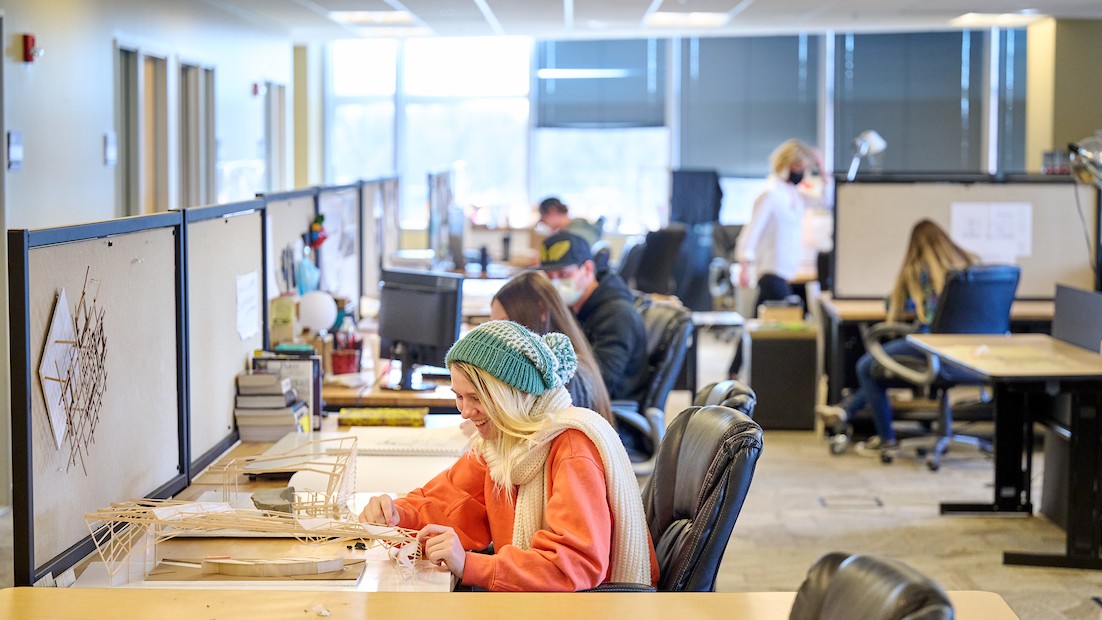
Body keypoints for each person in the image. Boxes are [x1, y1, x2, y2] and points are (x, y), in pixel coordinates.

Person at [358, 320, 659, 591]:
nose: (464, 411)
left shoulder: (571, 447)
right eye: (459, 397)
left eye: (476, 398)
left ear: (513, 394)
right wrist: (397, 515)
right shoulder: (499, 444)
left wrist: (471, 566)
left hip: (587, 606)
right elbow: (447, 502)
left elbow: (574, 564)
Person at [819, 219, 980, 455]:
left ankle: (886, 439)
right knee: (879, 372)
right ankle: (846, 410)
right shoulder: (969, 268)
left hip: (931, 347)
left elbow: (894, 306)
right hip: (971, 352)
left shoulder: (918, 271)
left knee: (867, 367)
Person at [729, 139, 829, 376]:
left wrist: (823, 170)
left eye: (805, 167)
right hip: (771, 272)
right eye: (799, 166)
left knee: (755, 325)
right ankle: (783, 377)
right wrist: (745, 264)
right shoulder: (771, 194)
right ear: (786, 165)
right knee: (794, 323)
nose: (802, 172)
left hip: (786, 272)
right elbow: (750, 232)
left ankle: (733, 371)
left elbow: (826, 201)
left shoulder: (793, 193)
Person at [490, 270, 614, 427]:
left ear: (541, 310)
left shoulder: (565, 374)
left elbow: (546, 436)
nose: (498, 336)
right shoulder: (544, 367)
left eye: (505, 324)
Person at [537, 231, 647, 403]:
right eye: (549, 277)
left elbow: (600, 383)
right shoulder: (575, 307)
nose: (555, 284)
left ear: (588, 269)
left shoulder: (617, 315)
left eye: (563, 275)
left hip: (608, 414)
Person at [538, 197, 602, 247]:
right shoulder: (581, 227)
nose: (546, 224)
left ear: (552, 211)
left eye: (544, 219)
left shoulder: (574, 236)